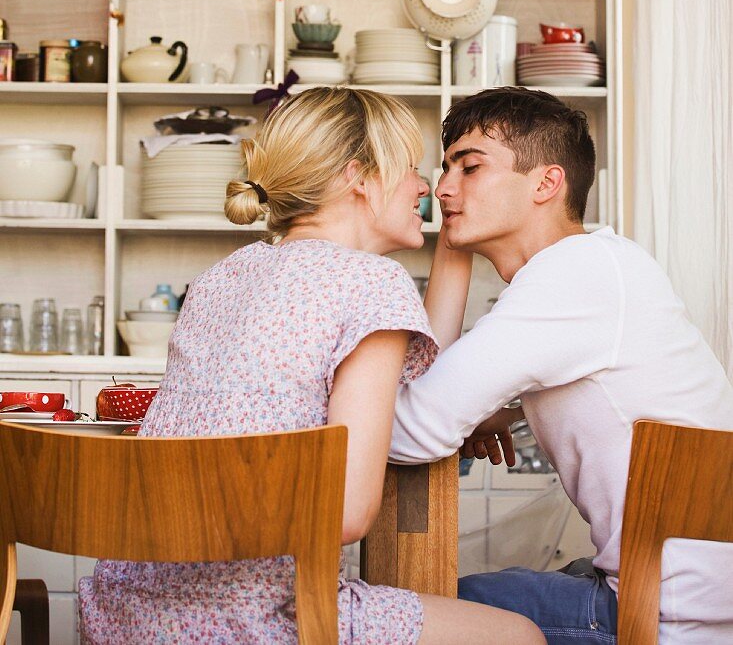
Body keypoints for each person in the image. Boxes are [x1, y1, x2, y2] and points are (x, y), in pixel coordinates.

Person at [78, 87, 544, 645]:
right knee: (519, 636)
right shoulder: (369, 284)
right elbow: (347, 514)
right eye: (410, 168)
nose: (429, 188)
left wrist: (454, 242)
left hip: (127, 610)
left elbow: (420, 379)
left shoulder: (225, 275)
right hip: (252, 618)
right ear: (359, 177)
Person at [391, 86, 733, 645]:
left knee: (400, 603)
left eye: (469, 168)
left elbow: (410, 432)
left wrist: (450, 250)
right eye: (444, 169)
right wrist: (502, 410)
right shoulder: (603, 265)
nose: (441, 187)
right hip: (694, 600)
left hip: (663, 614)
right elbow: (616, 403)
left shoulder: (571, 275)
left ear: (547, 184)